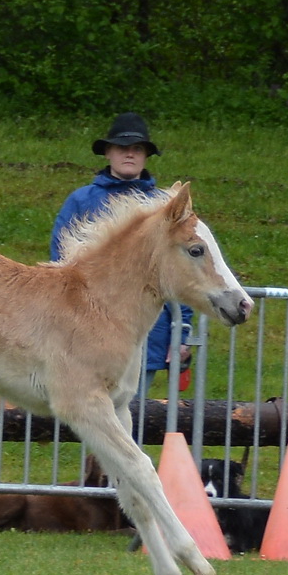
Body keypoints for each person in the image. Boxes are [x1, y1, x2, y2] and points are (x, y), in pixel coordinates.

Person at [51, 112, 193, 397]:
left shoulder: (165, 208)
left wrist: (182, 330)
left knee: (132, 410)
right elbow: (61, 262)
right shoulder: (80, 201)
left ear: (146, 156)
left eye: (137, 148)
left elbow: (183, 267)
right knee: (86, 407)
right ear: (108, 153)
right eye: (122, 147)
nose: (130, 154)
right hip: (86, 327)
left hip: (147, 330)